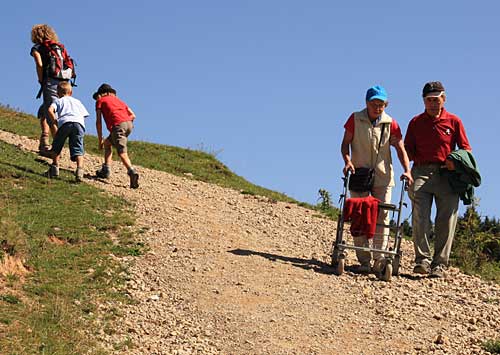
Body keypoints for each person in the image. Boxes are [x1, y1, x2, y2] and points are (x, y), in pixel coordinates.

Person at [341, 85, 413, 274]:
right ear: (367, 103)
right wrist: (348, 161)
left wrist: (407, 170)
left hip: (383, 176)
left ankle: (379, 259)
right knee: (359, 215)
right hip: (359, 175)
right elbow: (345, 144)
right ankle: (363, 260)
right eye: (374, 104)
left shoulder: (391, 123)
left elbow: (400, 149)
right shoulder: (355, 119)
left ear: (386, 105)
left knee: (383, 216)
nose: (378, 108)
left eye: (381, 104)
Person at [404, 81, 472, 278]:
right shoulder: (416, 122)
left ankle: (440, 264)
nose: (433, 103)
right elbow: (407, 150)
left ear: (444, 99)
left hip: (447, 174)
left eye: (437, 99)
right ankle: (422, 260)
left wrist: (454, 161)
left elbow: (466, 149)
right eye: (429, 100)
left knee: (446, 220)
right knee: (420, 216)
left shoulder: (454, 121)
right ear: (423, 101)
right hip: (421, 172)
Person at [30, 24, 68, 154]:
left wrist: (41, 79)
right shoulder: (58, 47)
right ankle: (44, 139)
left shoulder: (38, 48)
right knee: (45, 111)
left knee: (52, 115)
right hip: (64, 83)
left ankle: (56, 149)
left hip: (50, 82)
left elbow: (39, 64)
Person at [93, 83, 139, 189]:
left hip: (118, 126)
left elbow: (98, 122)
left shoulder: (100, 101)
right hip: (129, 124)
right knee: (108, 143)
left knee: (122, 152)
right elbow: (133, 115)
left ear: (101, 94)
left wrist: (100, 140)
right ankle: (106, 169)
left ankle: (132, 172)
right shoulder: (119, 101)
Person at [46, 81, 89, 182]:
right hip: (79, 124)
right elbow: (84, 115)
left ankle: (54, 168)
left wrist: (55, 121)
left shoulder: (58, 101)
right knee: (78, 148)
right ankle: (79, 170)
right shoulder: (78, 102)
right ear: (71, 92)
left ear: (58, 93)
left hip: (65, 123)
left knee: (57, 145)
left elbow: (49, 110)